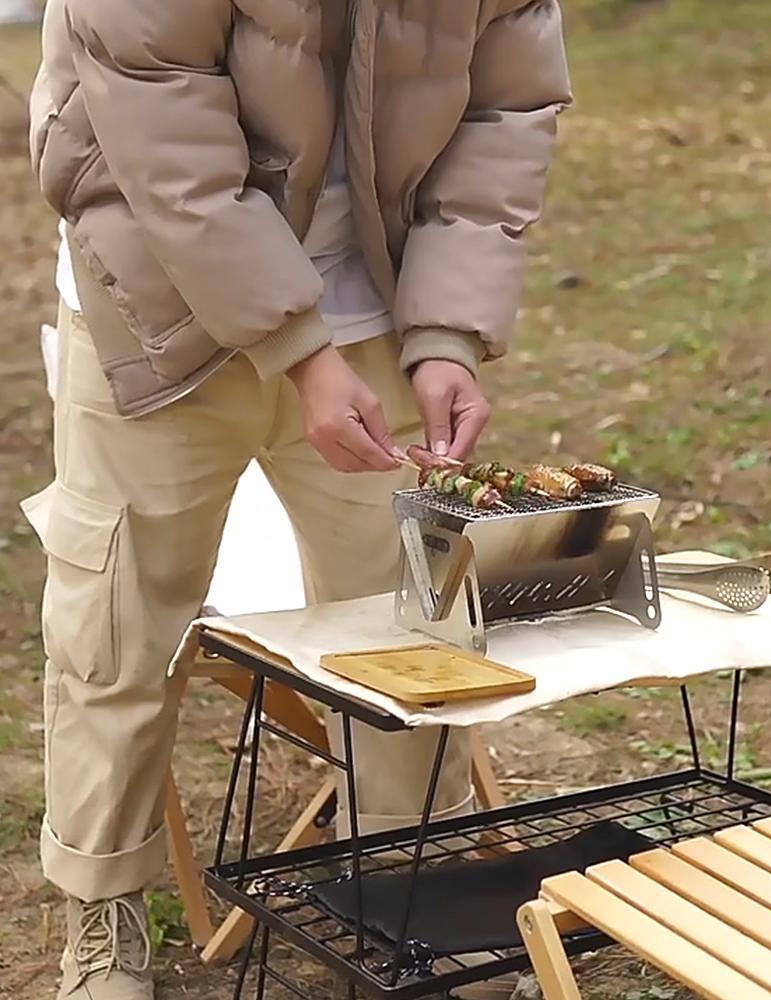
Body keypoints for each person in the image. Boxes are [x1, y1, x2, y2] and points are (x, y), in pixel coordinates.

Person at [24, 2, 571, 997]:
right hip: (154, 298)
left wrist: (445, 330)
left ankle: (405, 905)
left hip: (371, 303)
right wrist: (301, 356)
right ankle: (101, 928)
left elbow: (507, 109)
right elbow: (167, 149)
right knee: (117, 628)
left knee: (408, 625)